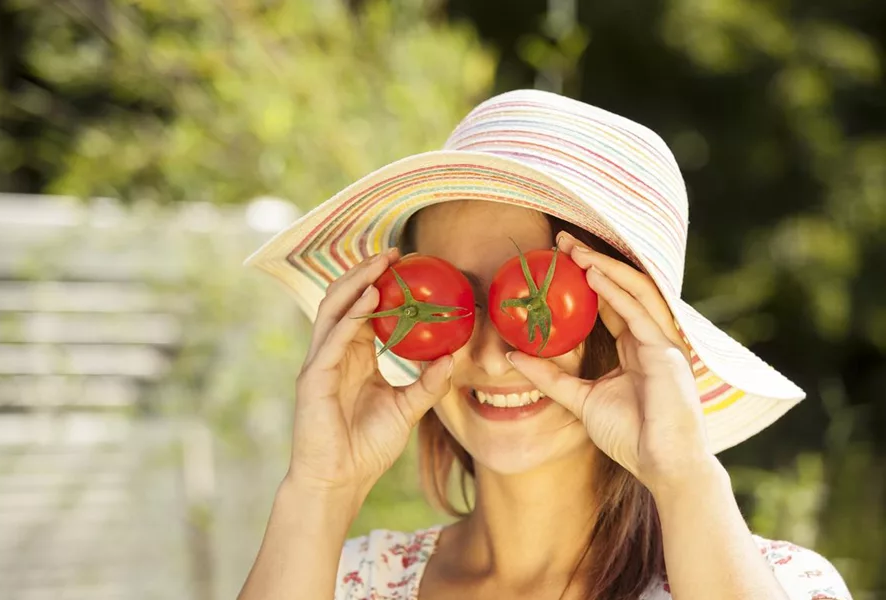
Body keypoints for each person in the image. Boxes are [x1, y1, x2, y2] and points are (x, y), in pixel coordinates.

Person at [238, 90, 852, 600]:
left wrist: (684, 475)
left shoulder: (779, 585)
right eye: (443, 303)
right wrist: (322, 489)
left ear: (627, 327)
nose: (488, 355)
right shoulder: (341, 582)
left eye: (534, 306)